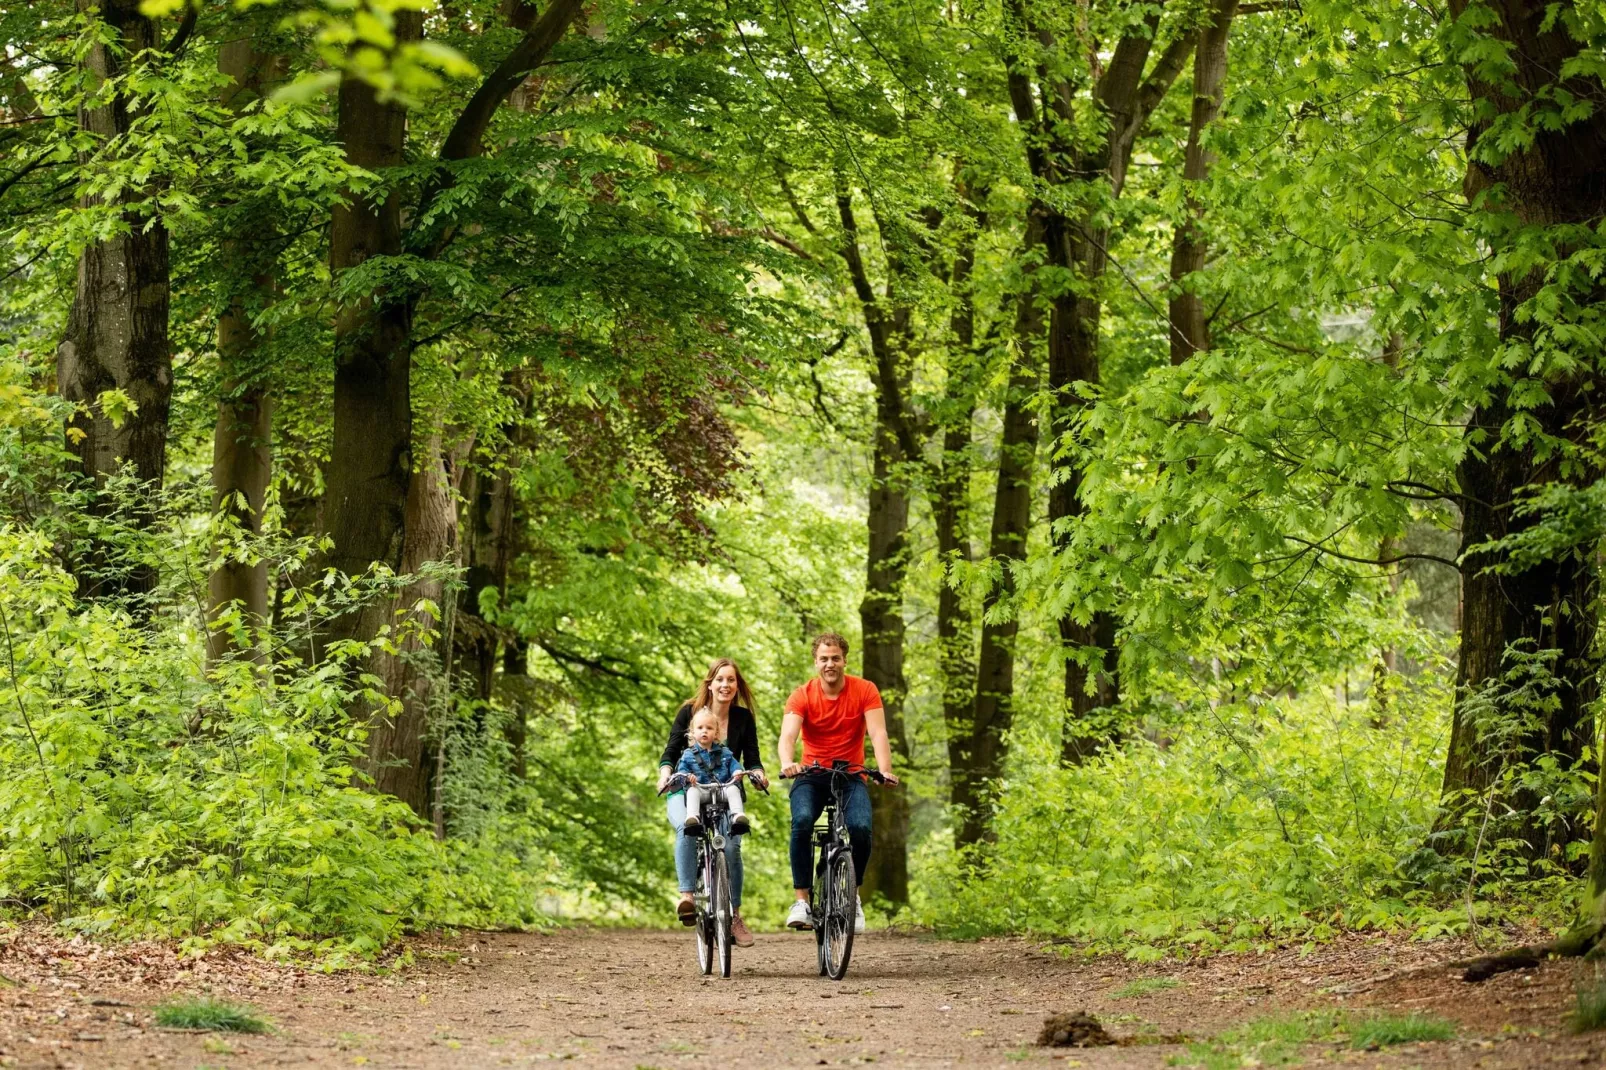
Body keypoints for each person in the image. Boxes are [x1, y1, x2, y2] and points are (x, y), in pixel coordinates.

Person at [777, 631, 899, 934]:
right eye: (823, 659)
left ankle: (852, 897)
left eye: (835, 658)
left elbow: (878, 733)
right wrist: (787, 763)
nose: (829, 664)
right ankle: (802, 901)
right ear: (816, 662)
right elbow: (788, 735)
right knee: (802, 821)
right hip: (812, 773)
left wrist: (884, 770)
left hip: (850, 774)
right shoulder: (802, 694)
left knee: (860, 827)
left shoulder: (865, 690)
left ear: (844, 660)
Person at [658, 657, 767, 947]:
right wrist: (665, 776)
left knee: (731, 846)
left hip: (724, 789)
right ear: (710, 682)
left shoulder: (743, 719)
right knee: (685, 826)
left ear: (737, 685)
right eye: (720, 679)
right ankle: (687, 898)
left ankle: (734, 916)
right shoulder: (689, 712)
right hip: (687, 788)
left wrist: (758, 775)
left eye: (731, 680)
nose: (725, 685)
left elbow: (752, 758)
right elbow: (670, 752)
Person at [676, 708, 750, 837]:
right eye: (700, 728)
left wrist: (737, 772)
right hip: (701, 789)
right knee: (692, 792)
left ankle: (737, 816)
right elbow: (682, 771)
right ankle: (693, 818)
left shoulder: (725, 752)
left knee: (733, 789)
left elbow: (734, 765)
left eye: (709, 728)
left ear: (716, 733)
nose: (704, 731)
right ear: (692, 732)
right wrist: (688, 777)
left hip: (722, 789)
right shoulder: (688, 755)